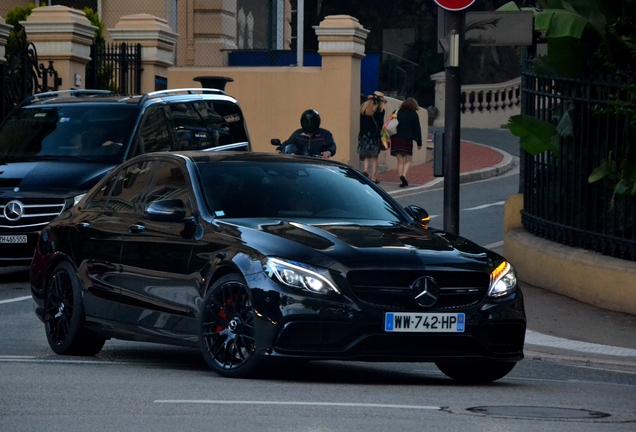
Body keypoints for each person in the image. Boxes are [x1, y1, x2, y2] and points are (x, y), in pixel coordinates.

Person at [389, 97, 423, 187]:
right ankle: (404, 175)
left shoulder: (396, 111)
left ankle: (401, 178)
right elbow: (417, 129)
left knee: (400, 161)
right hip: (407, 139)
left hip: (396, 138)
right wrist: (419, 142)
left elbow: (390, 122)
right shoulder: (414, 114)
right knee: (408, 160)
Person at [357, 91, 386, 184]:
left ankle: (365, 171)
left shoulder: (363, 108)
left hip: (364, 134)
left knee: (366, 155)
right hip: (375, 136)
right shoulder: (381, 111)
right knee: (374, 157)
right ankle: (373, 177)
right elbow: (381, 125)